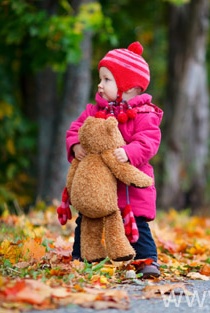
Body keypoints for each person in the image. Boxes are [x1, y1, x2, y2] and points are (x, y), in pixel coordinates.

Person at [65, 42, 163, 279]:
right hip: (98, 186)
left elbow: (149, 141)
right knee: (86, 220)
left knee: (136, 225)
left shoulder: (144, 114)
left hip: (130, 188)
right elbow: (75, 129)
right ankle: (82, 258)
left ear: (129, 87)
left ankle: (147, 261)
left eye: (107, 80)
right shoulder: (94, 111)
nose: (100, 85)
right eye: (100, 79)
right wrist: (76, 145)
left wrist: (129, 153)